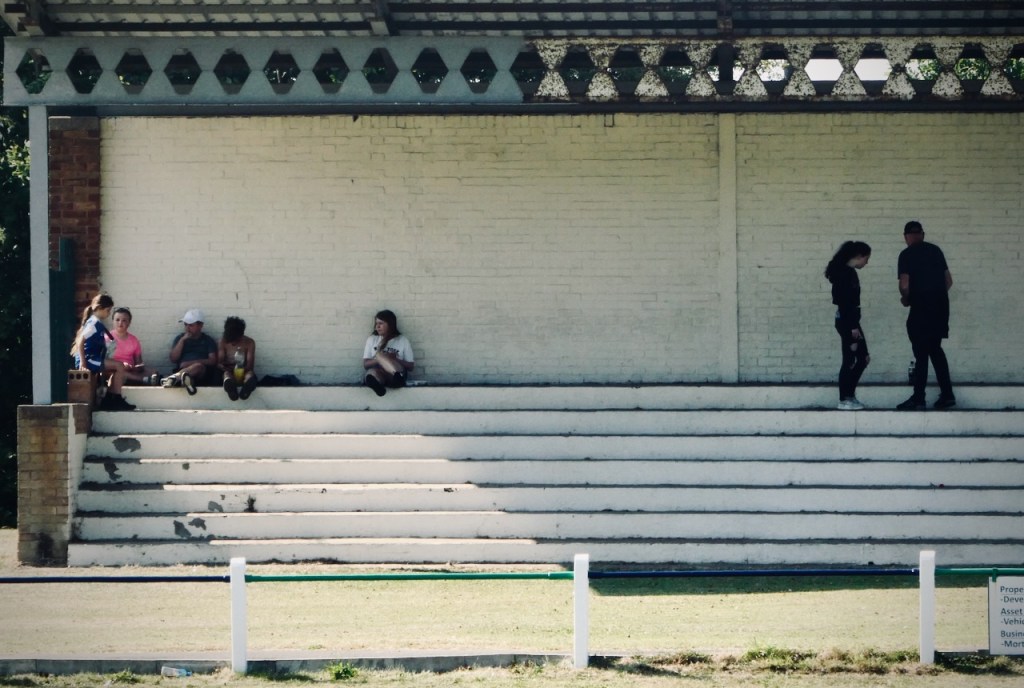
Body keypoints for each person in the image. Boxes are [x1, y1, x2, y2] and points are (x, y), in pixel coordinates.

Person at [896, 220, 955, 410]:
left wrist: (907, 299)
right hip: (940, 307)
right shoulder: (936, 250)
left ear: (906, 237)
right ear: (923, 234)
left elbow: (904, 284)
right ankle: (947, 394)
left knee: (921, 352)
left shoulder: (906, 254)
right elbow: (949, 280)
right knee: (936, 350)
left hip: (920, 307)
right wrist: (936, 294)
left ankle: (918, 398)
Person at [825, 241, 871, 410]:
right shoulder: (844, 273)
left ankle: (849, 396)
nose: (866, 262)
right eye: (866, 258)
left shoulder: (847, 272)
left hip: (849, 321)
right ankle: (845, 398)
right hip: (848, 322)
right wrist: (852, 327)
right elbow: (844, 301)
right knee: (851, 359)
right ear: (859, 256)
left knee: (862, 358)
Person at [72, 293, 135, 411]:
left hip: (93, 358)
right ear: (100, 308)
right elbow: (80, 341)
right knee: (119, 366)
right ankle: (115, 398)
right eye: (108, 310)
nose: (109, 313)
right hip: (89, 359)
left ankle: (109, 399)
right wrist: (83, 363)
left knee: (117, 368)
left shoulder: (95, 322)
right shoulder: (94, 324)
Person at [162, 308, 218, 396]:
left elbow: (213, 360)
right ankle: (186, 381)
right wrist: (182, 340)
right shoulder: (180, 338)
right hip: (182, 370)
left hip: (201, 373)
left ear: (200, 325)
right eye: (185, 324)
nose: (187, 328)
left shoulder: (208, 340)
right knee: (187, 372)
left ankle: (174, 379)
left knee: (198, 366)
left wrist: (191, 363)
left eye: (191, 325)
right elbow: (173, 359)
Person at [362, 309, 414, 397]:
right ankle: (377, 386)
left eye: (381, 323)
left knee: (380, 355)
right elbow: (366, 364)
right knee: (372, 372)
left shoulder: (402, 340)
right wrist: (378, 360)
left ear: (390, 324)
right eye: (376, 324)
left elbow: (411, 366)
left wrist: (394, 359)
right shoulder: (372, 339)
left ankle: (397, 378)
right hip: (380, 374)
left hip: (397, 372)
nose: (377, 327)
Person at [109, 307, 160, 385]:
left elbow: (139, 363)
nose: (120, 323)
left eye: (124, 320)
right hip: (114, 370)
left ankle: (142, 379)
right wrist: (122, 365)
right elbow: (104, 360)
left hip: (130, 369)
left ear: (129, 322)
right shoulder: (107, 337)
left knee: (154, 372)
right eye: (117, 320)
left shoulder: (134, 340)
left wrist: (136, 367)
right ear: (113, 321)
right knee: (119, 372)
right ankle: (143, 380)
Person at [218, 316, 258, 401]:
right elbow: (219, 362)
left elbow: (250, 365)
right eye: (230, 340)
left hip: (244, 371)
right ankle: (231, 389)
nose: (233, 343)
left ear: (241, 335)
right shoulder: (222, 342)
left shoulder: (249, 342)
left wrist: (240, 368)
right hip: (229, 371)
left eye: (235, 340)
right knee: (226, 375)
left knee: (250, 374)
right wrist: (224, 366)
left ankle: (246, 389)